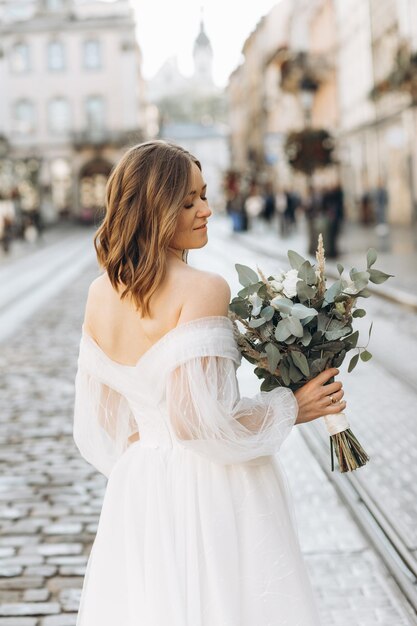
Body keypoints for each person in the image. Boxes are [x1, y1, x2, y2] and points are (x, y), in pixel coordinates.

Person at [73, 140, 346, 626]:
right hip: (211, 487)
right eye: (189, 202)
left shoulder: (99, 293)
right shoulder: (203, 288)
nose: (208, 210)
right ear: (154, 208)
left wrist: (156, 457)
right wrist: (292, 406)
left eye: (204, 195)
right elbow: (196, 423)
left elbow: (105, 418)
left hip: (140, 487)